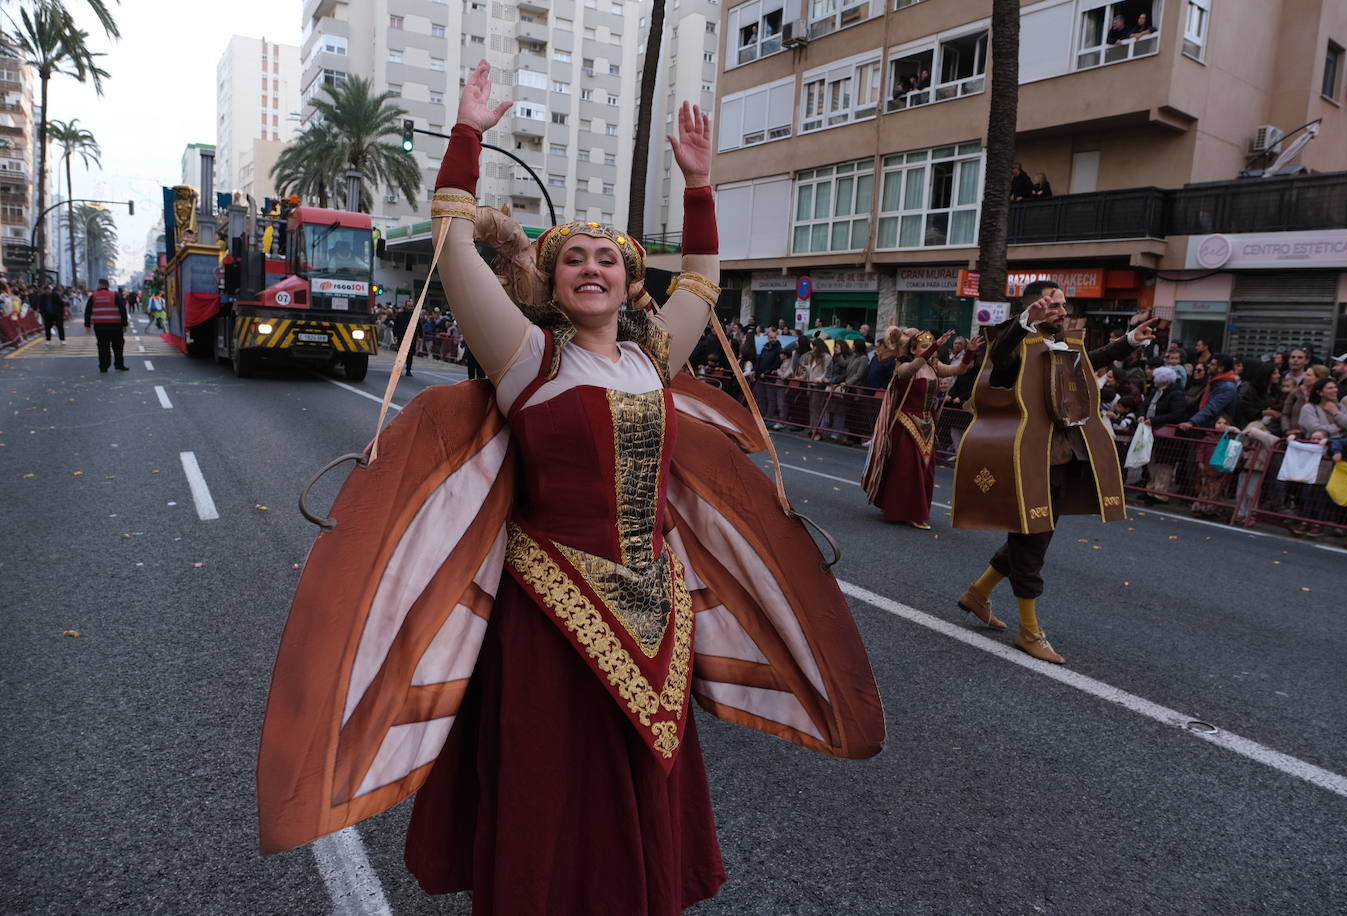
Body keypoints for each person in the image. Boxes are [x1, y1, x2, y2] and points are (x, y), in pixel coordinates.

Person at [256, 61, 883, 915]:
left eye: (609, 262)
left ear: (630, 285)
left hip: (658, 608)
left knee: (638, 774)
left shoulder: (651, 355)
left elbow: (701, 277)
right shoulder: (529, 360)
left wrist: (701, 184)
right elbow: (453, 244)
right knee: (552, 778)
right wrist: (467, 134)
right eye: (574, 261)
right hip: (550, 608)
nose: (593, 270)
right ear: (552, 285)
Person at [952, 281, 1158, 663]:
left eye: (1064, 304)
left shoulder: (1061, 343)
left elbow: (1088, 359)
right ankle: (1029, 631)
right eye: (1057, 304)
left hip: (1063, 455)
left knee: (1035, 536)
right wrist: (1023, 322)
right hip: (1030, 457)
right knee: (1032, 539)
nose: (1064, 310)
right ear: (1037, 307)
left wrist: (1130, 340)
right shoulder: (1017, 343)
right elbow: (999, 361)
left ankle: (978, 594)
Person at [863, 327, 981, 529]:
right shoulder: (904, 366)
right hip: (905, 422)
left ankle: (912, 509)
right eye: (925, 347)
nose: (931, 350)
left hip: (927, 423)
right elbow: (912, 368)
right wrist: (935, 345)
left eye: (931, 346)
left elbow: (961, 369)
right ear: (914, 350)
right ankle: (904, 510)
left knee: (925, 470)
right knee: (907, 469)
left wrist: (970, 351)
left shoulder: (935, 366)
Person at [1139, 364, 1193, 503]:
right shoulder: (1155, 391)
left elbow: (1177, 414)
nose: (1154, 379)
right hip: (1152, 432)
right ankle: (1151, 489)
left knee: (1164, 464)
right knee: (1151, 461)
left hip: (1167, 436)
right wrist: (1141, 415)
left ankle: (1160, 493)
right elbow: (1145, 405)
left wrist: (1154, 420)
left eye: (1156, 377)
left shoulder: (1176, 394)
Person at [1177, 353, 1239, 432]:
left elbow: (1212, 407)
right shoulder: (1214, 382)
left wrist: (1192, 422)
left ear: (1220, 368)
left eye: (1212, 364)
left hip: (1214, 428)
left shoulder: (1227, 387)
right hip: (1206, 424)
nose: (1209, 366)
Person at [83, 278, 128, 372]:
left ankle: (104, 366)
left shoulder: (94, 296)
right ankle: (119, 364)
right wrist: (124, 324)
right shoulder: (115, 295)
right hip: (115, 326)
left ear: (99, 285)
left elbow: (87, 311)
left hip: (100, 327)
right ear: (107, 285)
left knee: (103, 346)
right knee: (118, 346)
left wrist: (87, 325)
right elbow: (122, 310)